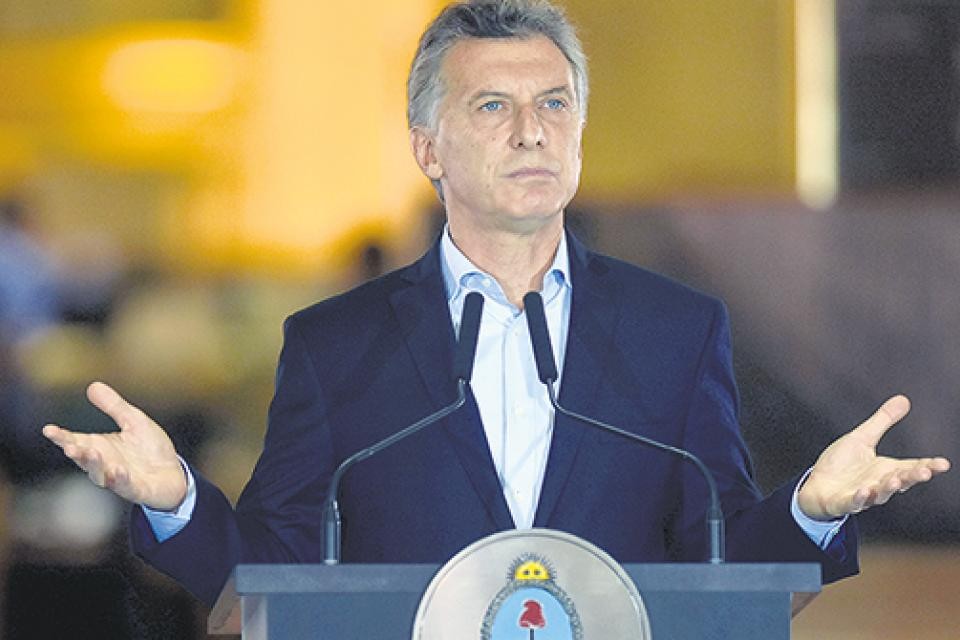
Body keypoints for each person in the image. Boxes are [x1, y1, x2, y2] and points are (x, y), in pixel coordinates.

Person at [43, 0, 949, 608]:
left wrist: (811, 509)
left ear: (580, 136)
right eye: (491, 107)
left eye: (554, 103)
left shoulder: (675, 328)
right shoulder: (335, 345)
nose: (531, 131)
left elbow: (717, 560)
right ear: (428, 149)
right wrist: (176, 500)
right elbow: (271, 575)